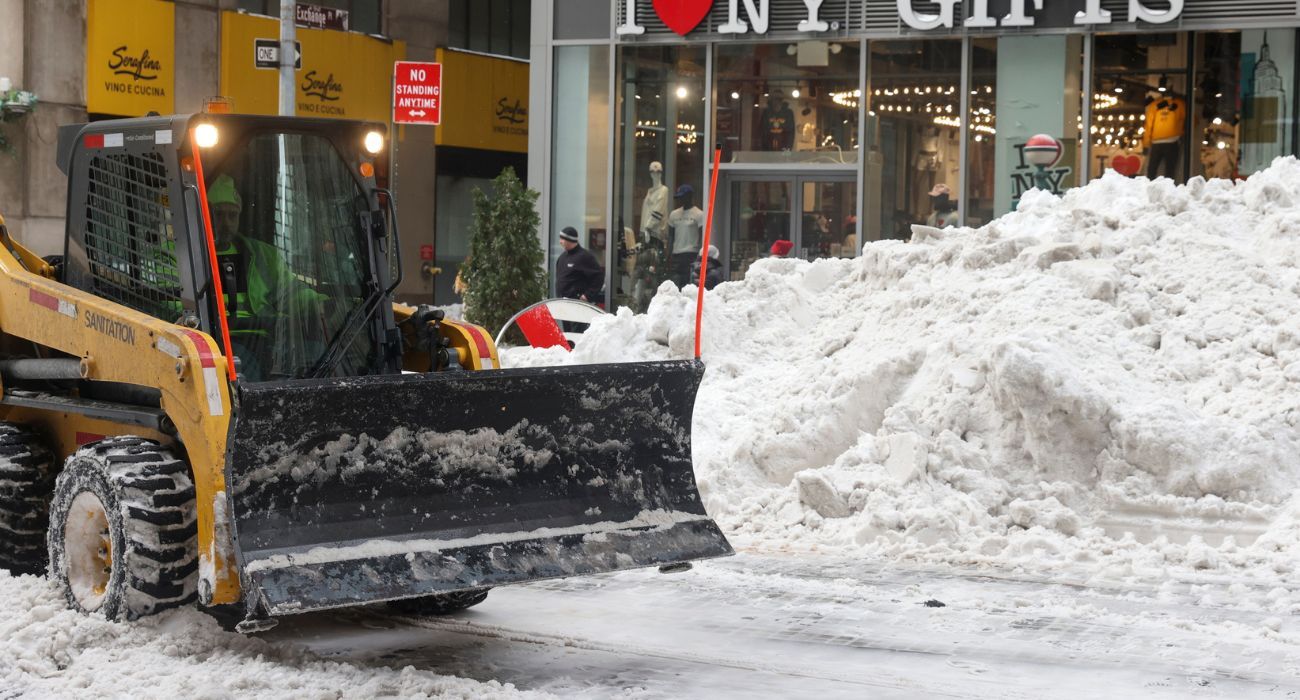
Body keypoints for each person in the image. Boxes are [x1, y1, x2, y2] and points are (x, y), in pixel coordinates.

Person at [206, 173, 323, 380]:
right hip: (216, 339)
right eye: (218, 214)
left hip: (267, 337)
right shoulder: (179, 255)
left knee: (318, 355)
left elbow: (289, 292)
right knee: (244, 370)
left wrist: (321, 304)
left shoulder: (262, 255)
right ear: (204, 213)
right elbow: (173, 306)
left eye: (232, 215)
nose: (226, 222)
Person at [667, 184, 705, 287]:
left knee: (689, 282)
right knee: (675, 283)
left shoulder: (699, 214)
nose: (681, 200)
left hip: (691, 254)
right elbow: (671, 236)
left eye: (683, 197)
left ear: (690, 196)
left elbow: (702, 236)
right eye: (679, 197)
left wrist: (701, 255)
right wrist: (669, 254)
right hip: (677, 254)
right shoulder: (674, 214)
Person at [556, 226, 604, 304]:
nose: (560, 242)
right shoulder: (562, 258)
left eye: (562, 239)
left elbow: (598, 277)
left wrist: (588, 295)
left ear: (570, 240)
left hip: (578, 304)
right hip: (562, 303)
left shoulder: (585, 257)